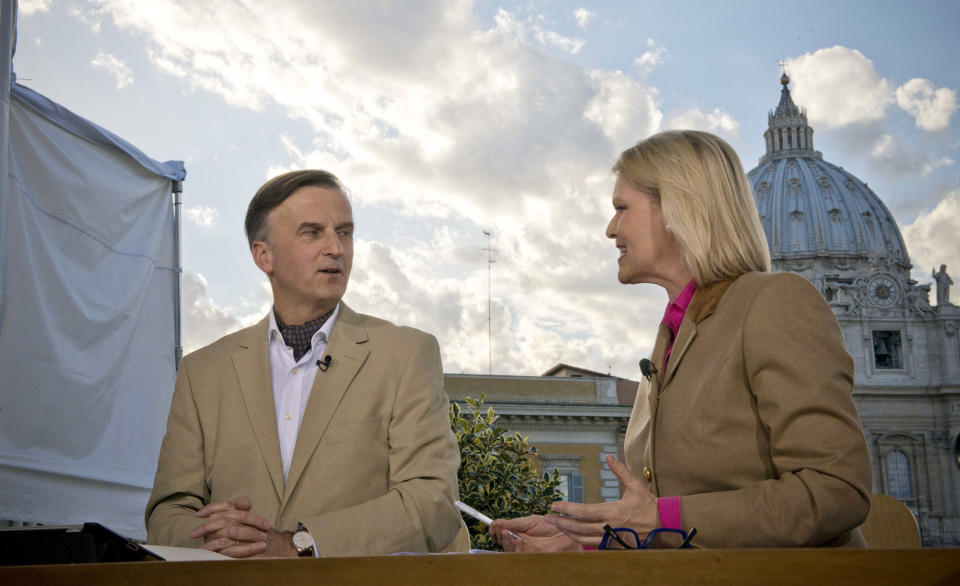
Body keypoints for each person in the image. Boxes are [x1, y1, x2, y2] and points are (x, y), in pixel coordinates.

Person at [491, 130, 872, 549]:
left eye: (621, 208)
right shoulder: (671, 335)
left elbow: (836, 491)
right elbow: (664, 529)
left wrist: (659, 517)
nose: (609, 228)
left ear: (677, 207)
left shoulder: (775, 302)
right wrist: (582, 543)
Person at [146, 170, 466, 557]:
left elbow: (432, 502)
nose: (336, 248)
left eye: (345, 232)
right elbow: (167, 514)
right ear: (264, 255)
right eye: (312, 232)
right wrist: (218, 537)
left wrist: (302, 543)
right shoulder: (202, 373)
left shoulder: (407, 354)